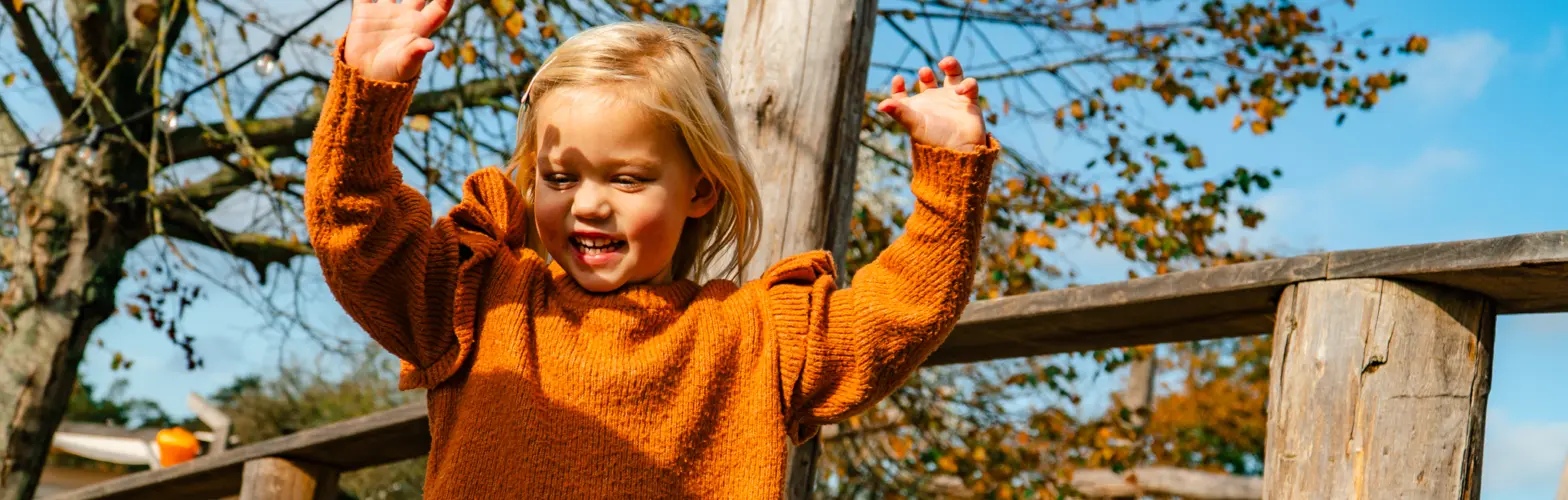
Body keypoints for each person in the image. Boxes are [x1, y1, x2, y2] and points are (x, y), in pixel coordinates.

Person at [306, 0, 999, 496]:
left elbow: (900, 310)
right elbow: (356, 231)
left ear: (699, 191)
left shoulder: (756, 341)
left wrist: (948, 173)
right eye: (560, 178)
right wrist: (368, 92)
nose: (588, 203)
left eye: (628, 179)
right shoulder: (475, 303)